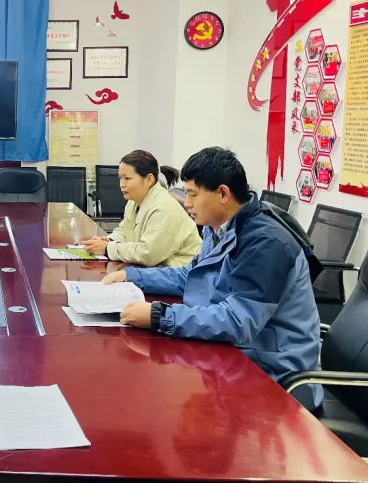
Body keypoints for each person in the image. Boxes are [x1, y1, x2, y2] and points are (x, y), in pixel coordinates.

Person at [104, 147, 322, 410]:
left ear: (223, 194)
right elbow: (190, 275)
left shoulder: (266, 243)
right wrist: (132, 276)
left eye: (193, 194)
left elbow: (238, 320)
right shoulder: (218, 225)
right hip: (234, 354)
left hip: (274, 374)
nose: (187, 203)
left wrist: (161, 316)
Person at [81, 151, 201, 267]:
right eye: (120, 178)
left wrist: (108, 248)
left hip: (179, 273)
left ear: (149, 179)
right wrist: (108, 240)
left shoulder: (163, 208)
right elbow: (124, 231)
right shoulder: (134, 201)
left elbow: (148, 254)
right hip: (154, 270)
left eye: (127, 178)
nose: (121, 184)